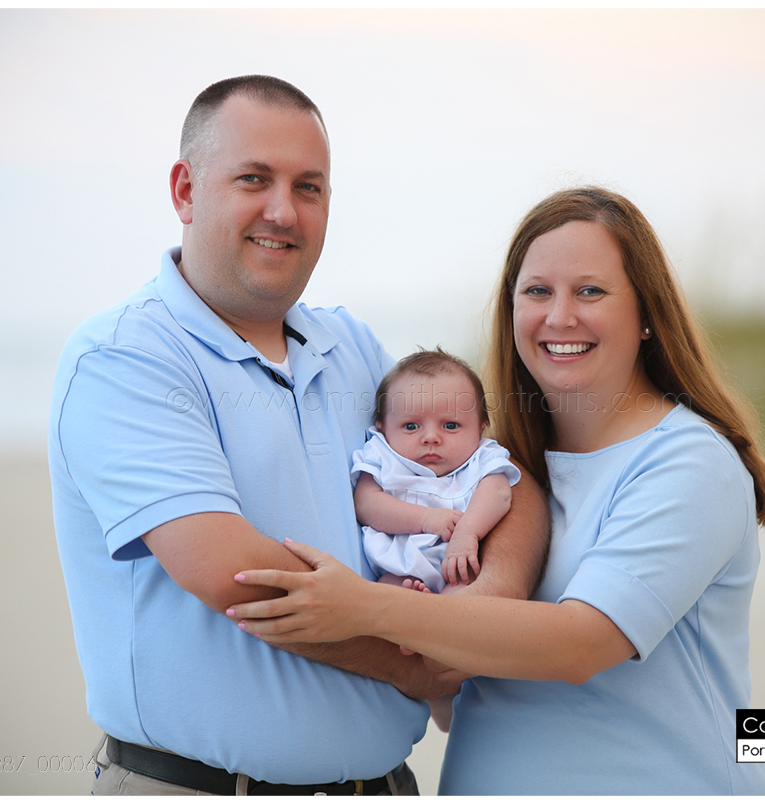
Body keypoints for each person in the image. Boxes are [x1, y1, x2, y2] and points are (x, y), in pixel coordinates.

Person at [48, 75, 548, 796]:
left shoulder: (354, 349)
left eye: (309, 187)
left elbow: (505, 477)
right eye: (254, 179)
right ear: (185, 190)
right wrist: (419, 658)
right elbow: (241, 581)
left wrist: (483, 610)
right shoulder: (124, 358)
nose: (283, 211)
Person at [229, 186, 765, 795]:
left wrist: (363, 607)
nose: (560, 316)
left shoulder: (686, 461)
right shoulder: (493, 469)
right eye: (537, 291)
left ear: (647, 314)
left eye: (590, 291)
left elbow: (579, 645)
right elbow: (456, 686)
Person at [355, 348, 521, 593]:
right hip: (400, 568)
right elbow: (366, 504)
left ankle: (440, 615)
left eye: (451, 425)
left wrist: (466, 534)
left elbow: (499, 493)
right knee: (387, 590)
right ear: (382, 427)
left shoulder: (483, 458)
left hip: (461, 562)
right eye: (411, 426)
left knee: (468, 590)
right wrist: (426, 519)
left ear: (481, 428)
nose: (431, 438)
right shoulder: (382, 454)